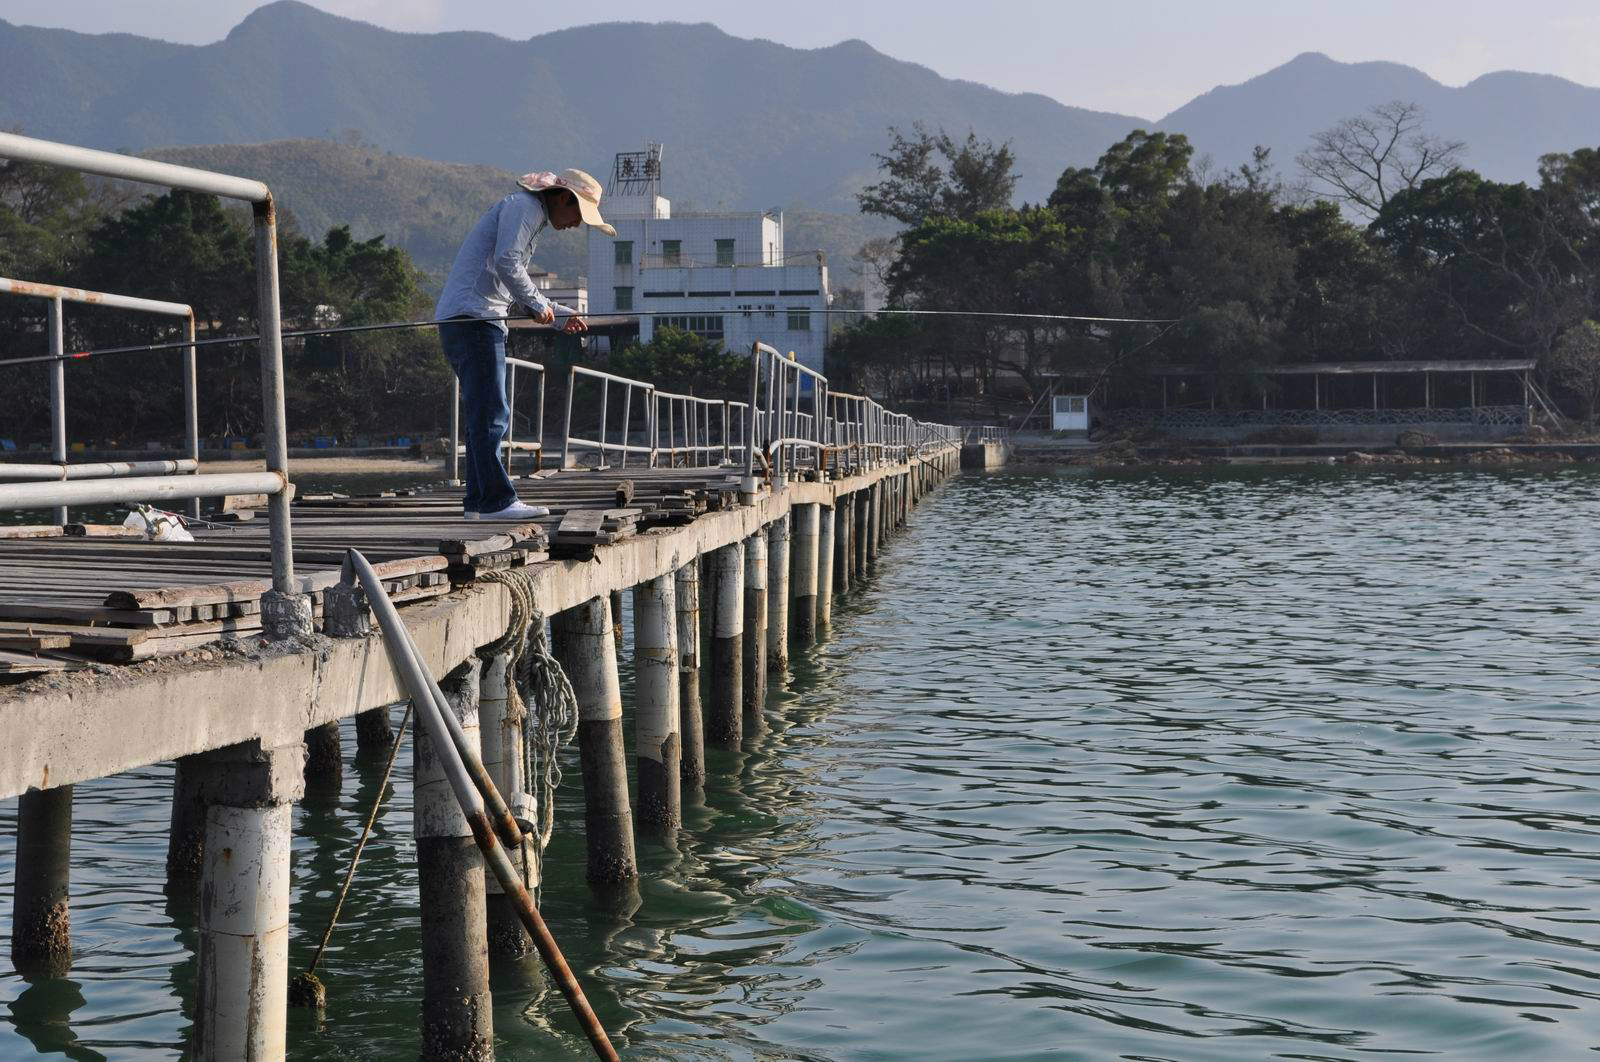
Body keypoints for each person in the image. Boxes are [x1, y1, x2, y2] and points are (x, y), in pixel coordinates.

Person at [435, 169, 615, 520]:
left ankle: (479, 501)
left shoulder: (525, 211)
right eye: (579, 214)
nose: (577, 224)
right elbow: (507, 263)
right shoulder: (526, 208)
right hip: (475, 321)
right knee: (491, 412)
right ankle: (496, 502)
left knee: (482, 414)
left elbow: (508, 282)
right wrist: (538, 306)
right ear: (564, 198)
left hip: (471, 319)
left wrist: (557, 313)